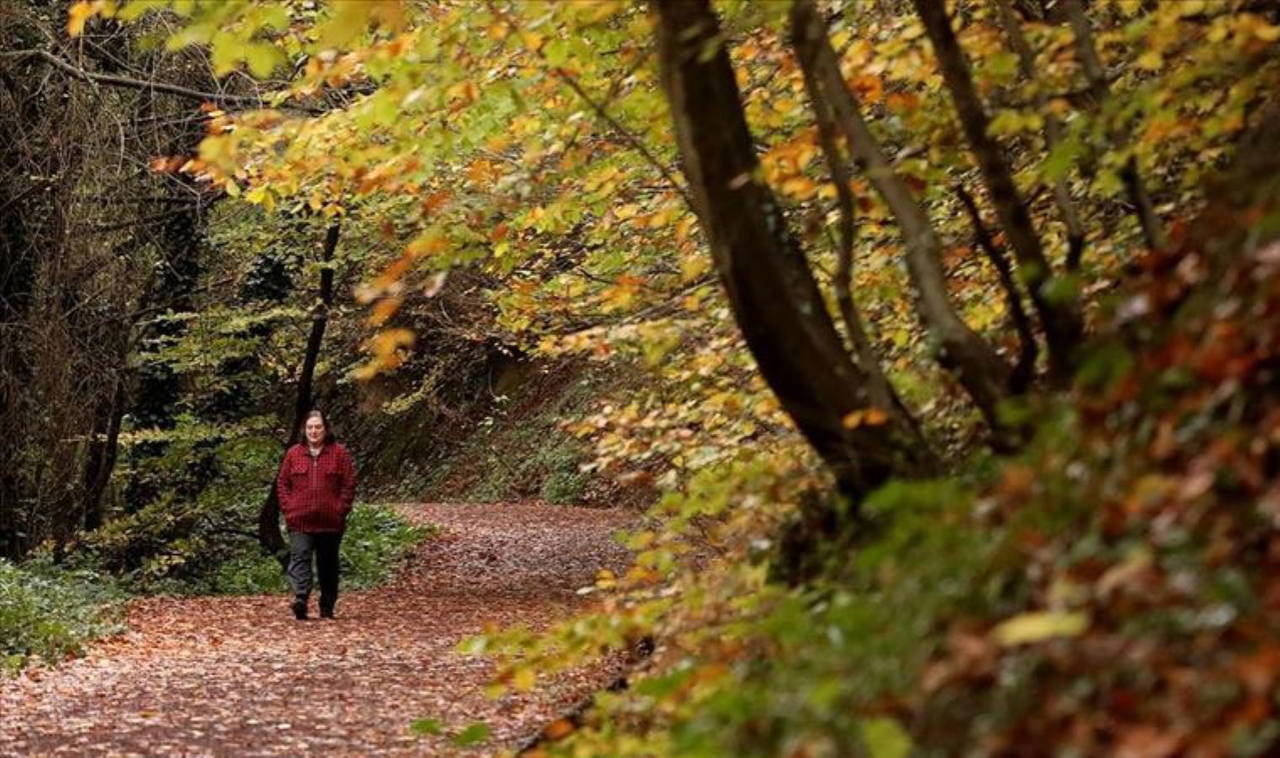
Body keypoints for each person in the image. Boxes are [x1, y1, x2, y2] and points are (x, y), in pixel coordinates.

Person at [275, 409, 357, 620]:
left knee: (327, 564)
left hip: (330, 521)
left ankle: (327, 607)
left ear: (326, 429)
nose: (314, 431)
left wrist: (341, 509)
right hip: (299, 520)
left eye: (318, 427)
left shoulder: (339, 454)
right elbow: (283, 483)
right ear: (305, 430)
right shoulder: (294, 454)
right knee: (300, 557)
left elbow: (349, 484)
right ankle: (301, 598)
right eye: (310, 427)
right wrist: (288, 508)